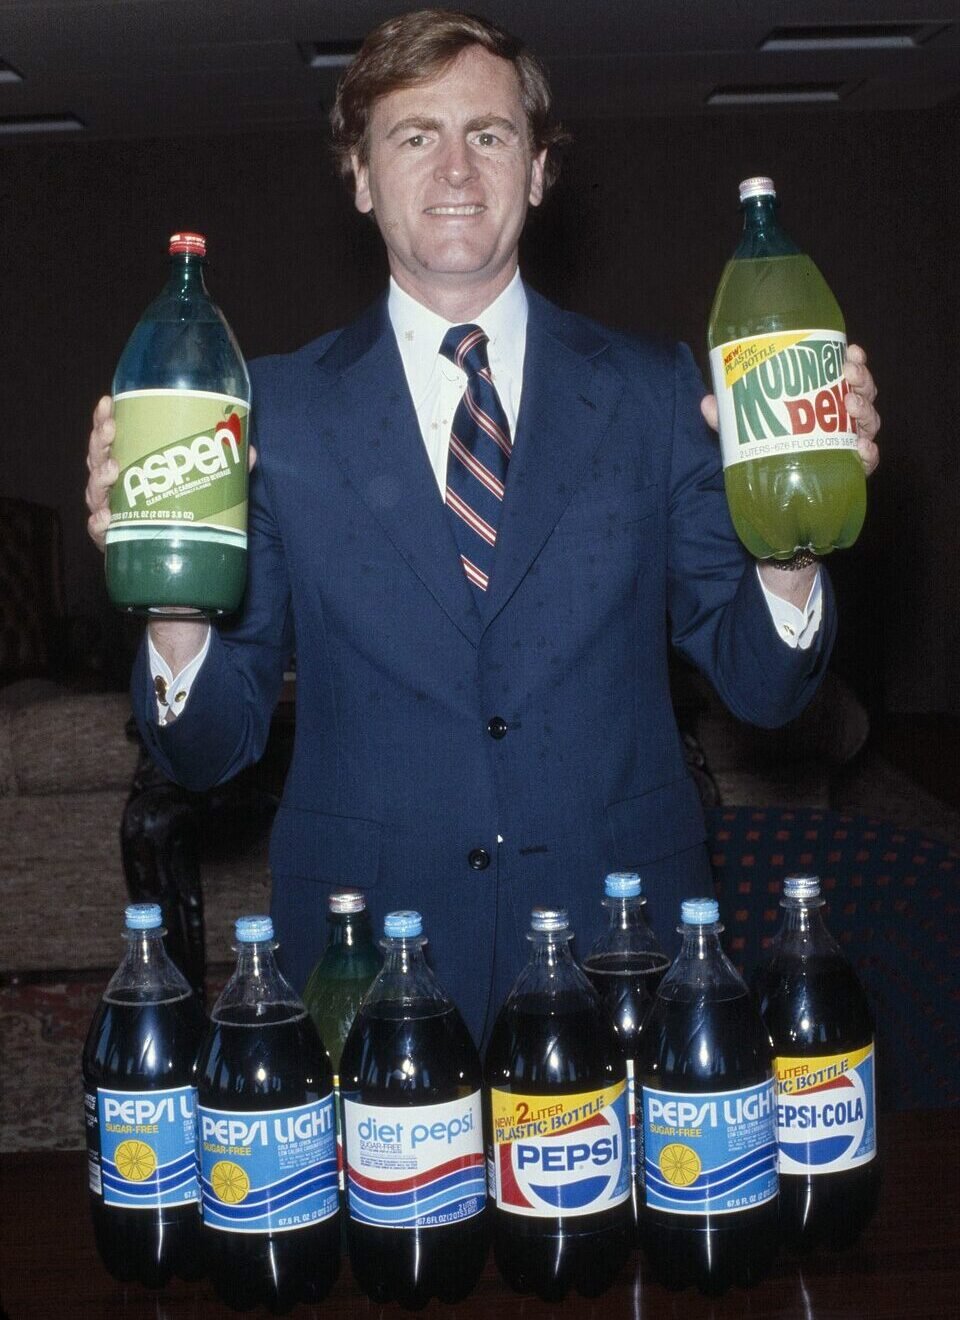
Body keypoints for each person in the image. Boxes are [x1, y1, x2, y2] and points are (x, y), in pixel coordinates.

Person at [85, 10, 879, 1045]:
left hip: (622, 943)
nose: (456, 168)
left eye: (491, 135)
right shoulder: (266, 415)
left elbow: (766, 689)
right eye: (415, 136)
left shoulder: (655, 392)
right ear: (361, 177)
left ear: (540, 170)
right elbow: (209, 747)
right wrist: (174, 610)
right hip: (360, 959)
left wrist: (794, 531)